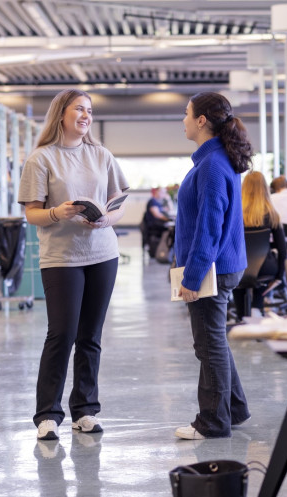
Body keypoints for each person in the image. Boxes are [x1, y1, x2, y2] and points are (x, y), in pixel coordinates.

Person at [18, 89, 129, 440]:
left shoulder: (102, 155)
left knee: (90, 336)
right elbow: (31, 212)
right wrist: (57, 212)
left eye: (90, 110)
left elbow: (120, 201)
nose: (86, 115)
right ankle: (47, 415)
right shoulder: (41, 158)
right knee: (61, 334)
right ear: (61, 114)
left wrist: (107, 220)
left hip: (102, 253)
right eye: (79, 108)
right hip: (62, 258)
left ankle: (86, 409)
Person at [174, 91, 250, 440]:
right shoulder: (216, 159)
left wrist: (192, 276)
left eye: (187, 114)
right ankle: (233, 409)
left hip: (211, 268)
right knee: (213, 340)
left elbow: (209, 226)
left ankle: (213, 423)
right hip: (220, 265)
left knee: (208, 344)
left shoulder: (213, 165)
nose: (184, 120)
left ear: (202, 120)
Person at [232, 171, 287, 319]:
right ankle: (257, 306)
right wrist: (279, 276)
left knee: (238, 279)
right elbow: (282, 249)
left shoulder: (234, 213)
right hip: (264, 269)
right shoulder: (272, 214)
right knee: (262, 274)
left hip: (238, 267)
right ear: (265, 189)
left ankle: (241, 314)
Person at [142, 186, 172, 257]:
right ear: (156, 192)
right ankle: (166, 251)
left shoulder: (159, 202)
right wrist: (168, 219)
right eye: (162, 192)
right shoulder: (153, 201)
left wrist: (168, 199)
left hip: (158, 224)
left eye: (164, 193)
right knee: (172, 229)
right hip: (154, 225)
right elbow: (157, 215)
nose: (163, 194)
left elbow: (170, 209)